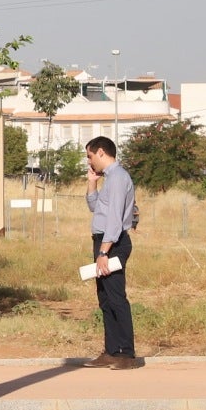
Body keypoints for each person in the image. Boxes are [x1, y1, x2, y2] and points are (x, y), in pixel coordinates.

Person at [83, 135, 142, 369]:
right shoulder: (108, 178)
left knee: (117, 298)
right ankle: (111, 351)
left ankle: (127, 354)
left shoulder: (118, 177)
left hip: (113, 244)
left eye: (89, 156)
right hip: (104, 243)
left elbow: (115, 219)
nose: (89, 162)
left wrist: (104, 252)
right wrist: (91, 183)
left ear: (100, 152)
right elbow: (95, 208)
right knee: (105, 299)